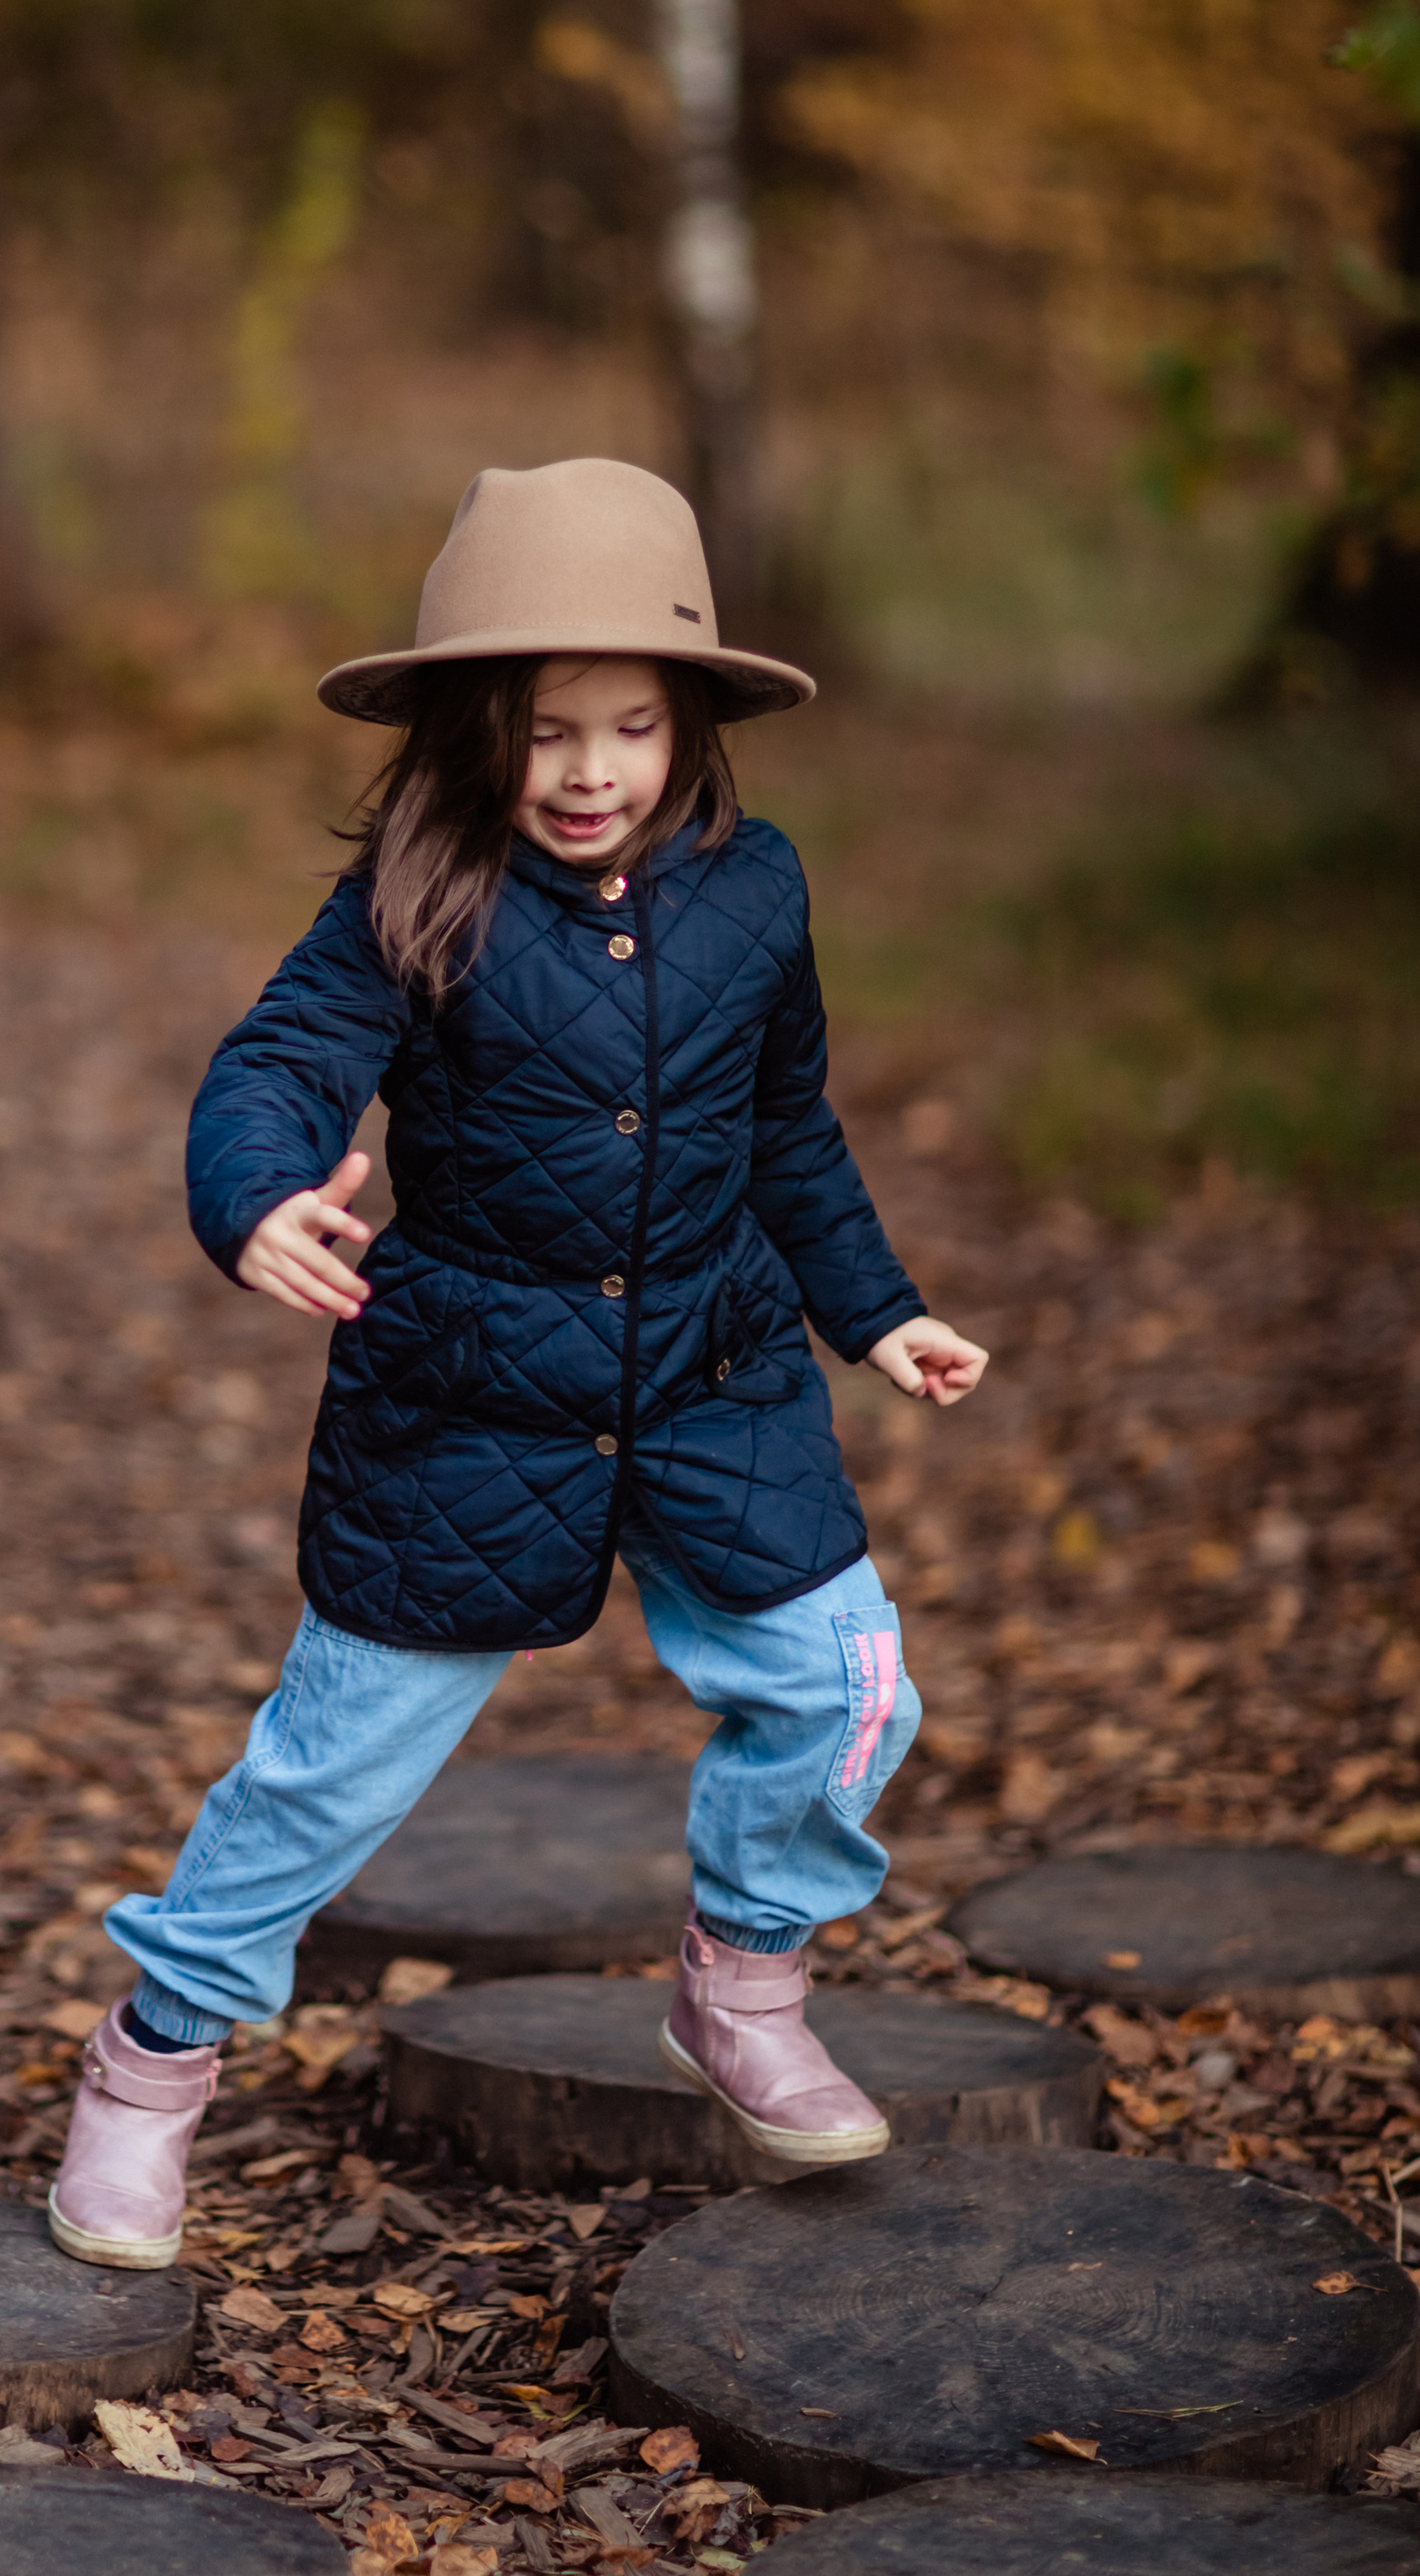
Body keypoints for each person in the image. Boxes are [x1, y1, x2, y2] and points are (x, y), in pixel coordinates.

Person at [47, 459, 987, 2268]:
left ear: (690, 724)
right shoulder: (415, 895)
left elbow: (785, 1131)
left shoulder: (754, 892)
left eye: (629, 727)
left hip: (716, 1384)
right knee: (321, 1779)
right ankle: (148, 2070)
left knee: (851, 1690)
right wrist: (249, 1201)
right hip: (470, 1405)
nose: (586, 771)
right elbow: (275, 1067)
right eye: (548, 730)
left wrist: (875, 1313)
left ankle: (741, 1989)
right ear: (479, 732)